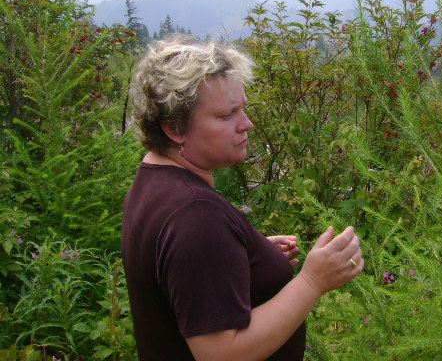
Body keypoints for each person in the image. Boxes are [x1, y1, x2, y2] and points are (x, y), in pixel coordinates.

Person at [121, 34, 363, 361]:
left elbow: (182, 275)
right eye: (226, 115)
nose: (246, 124)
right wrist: (313, 280)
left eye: (243, 109)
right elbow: (221, 353)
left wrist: (244, 254)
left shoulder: (155, 181)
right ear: (175, 128)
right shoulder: (194, 215)